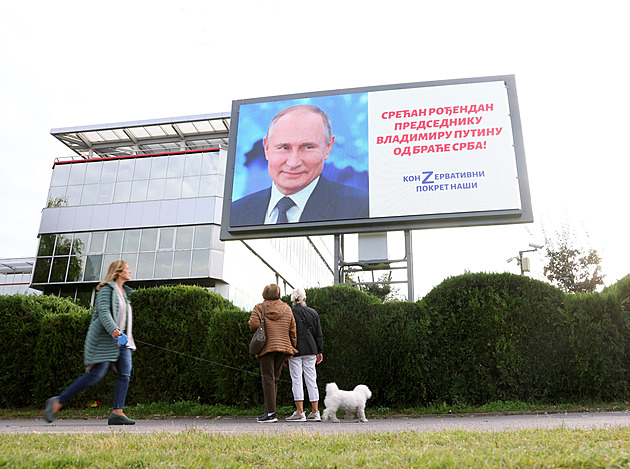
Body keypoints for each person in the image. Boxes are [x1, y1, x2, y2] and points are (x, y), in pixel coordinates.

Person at [231, 105, 369, 226]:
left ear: (328, 147)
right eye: (284, 148)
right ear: (266, 148)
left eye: (307, 147)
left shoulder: (360, 208)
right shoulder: (235, 213)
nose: (293, 162)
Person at [44, 260, 137, 426]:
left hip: (123, 341)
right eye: (127, 269)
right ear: (118, 272)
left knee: (125, 374)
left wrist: (125, 337)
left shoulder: (125, 293)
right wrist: (113, 329)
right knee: (95, 375)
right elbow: (103, 312)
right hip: (105, 339)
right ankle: (57, 401)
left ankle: (117, 412)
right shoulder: (106, 290)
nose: (130, 271)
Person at [248, 283, 298, 423]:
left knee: (268, 380)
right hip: (282, 347)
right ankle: (270, 412)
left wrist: (263, 322)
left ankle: (271, 413)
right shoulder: (287, 308)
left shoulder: (260, 307)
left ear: (265, 293)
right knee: (274, 380)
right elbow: (293, 330)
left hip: (266, 347)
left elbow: (253, 325)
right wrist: (292, 347)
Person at [285, 288, 324, 422]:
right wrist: (320, 350)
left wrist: (286, 351)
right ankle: (315, 411)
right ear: (304, 299)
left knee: (296, 380)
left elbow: (287, 333)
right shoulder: (313, 313)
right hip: (311, 349)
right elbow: (318, 334)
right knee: (311, 379)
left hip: (295, 350)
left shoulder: (289, 313)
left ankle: (300, 412)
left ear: (292, 300)